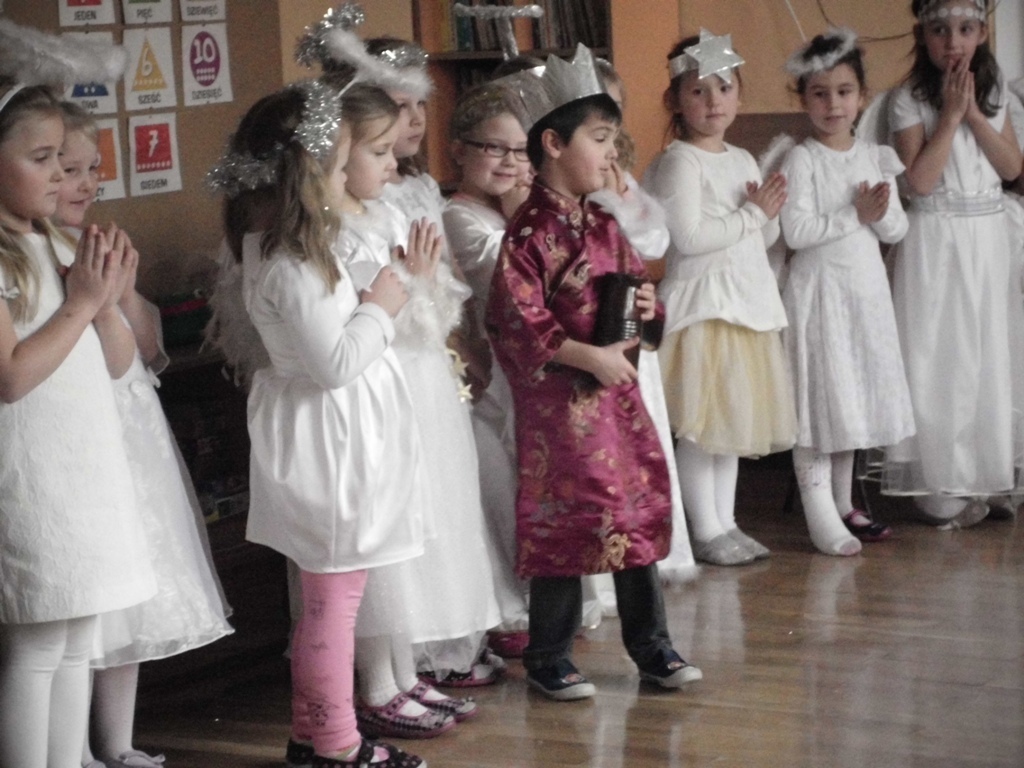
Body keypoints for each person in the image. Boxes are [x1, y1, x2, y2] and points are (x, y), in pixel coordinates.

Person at [214, 80, 428, 768]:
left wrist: (372, 302)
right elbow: (334, 364)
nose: (346, 181)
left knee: (329, 599)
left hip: (332, 433)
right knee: (334, 603)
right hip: (326, 441)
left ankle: (312, 734)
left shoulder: (293, 253)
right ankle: (338, 743)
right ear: (305, 178)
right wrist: (382, 306)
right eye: (337, 169)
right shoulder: (290, 265)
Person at [487, 44, 702, 701]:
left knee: (632, 510)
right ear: (553, 144)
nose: (611, 155)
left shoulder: (606, 223)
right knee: (566, 520)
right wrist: (587, 357)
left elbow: (636, 291)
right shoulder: (528, 235)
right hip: (562, 412)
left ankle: (652, 646)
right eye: (600, 139)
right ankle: (549, 654)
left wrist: (647, 307)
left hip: (619, 401)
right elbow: (515, 321)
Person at [53, 102, 234, 768]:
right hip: (84, 440)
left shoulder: (99, 242)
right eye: (67, 169)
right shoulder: (37, 257)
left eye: (91, 168)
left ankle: (118, 741)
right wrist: (100, 304)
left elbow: (149, 349)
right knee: (84, 611)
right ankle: (71, 748)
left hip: (134, 437)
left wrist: (125, 294)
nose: (85, 183)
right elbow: (102, 355)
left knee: (136, 592)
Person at [0, 79, 156, 768]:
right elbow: (11, 378)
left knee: (73, 646)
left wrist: (106, 298)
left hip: (86, 470)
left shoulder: (54, 244)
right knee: (37, 648)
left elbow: (118, 364)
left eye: (61, 159)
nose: (60, 176)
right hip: (32, 477)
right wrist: (81, 303)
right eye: (41, 159)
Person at [332, 82, 495, 739]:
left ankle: (404, 675)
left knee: (417, 527)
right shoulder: (337, 229)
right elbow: (371, 321)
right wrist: (412, 282)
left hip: (417, 383)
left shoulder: (385, 210)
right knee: (385, 542)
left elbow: (426, 311)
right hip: (378, 387)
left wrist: (424, 283)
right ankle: (379, 683)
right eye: (377, 149)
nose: (392, 158)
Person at [643, 31, 797, 567]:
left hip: (745, 304)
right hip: (705, 309)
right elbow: (687, 238)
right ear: (675, 100)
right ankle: (704, 528)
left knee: (731, 425)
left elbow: (763, 238)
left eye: (724, 87)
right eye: (698, 91)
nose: (713, 101)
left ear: (739, 95)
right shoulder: (680, 162)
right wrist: (752, 215)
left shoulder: (744, 159)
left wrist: (768, 213)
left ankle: (727, 522)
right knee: (702, 429)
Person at [883, 0, 1024, 524]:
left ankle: (986, 473)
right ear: (923, 35)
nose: (953, 42)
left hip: (987, 237)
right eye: (940, 30)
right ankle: (941, 483)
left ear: (982, 33)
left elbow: (1011, 168)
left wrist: (974, 115)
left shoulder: (993, 89)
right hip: (937, 238)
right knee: (944, 354)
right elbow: (919, 181)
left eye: (965, 29)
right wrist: (948, 117)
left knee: (988, 352)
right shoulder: (908, 97)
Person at [778, 30, 913, 556]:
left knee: (849, 396)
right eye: (819, 93)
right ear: (803, 98)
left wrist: (881, 210)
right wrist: (853, 214)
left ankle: (842, 502)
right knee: (820, 400)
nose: (833, 104)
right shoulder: (803, 159)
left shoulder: (873, 156)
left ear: (862, 96)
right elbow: (796, 233)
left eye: (844, 91)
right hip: (820, 296)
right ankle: (819, 511)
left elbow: (896, 228)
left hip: (863, 295)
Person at [589, 56, 697, 585]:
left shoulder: (620, 177)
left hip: (628, 325)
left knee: (638, 441)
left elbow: (654, 241)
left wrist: (621, 199)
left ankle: (650, 554)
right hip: (591, 335)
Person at [443, 84, 534, 657]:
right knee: (496, 489)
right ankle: (507, 608)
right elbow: (512, 277)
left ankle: (540, 600)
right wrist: (522, 213)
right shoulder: (457, 215)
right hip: (481, 371)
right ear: (459, 150)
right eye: (493, 148)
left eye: (520, 151)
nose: (509, 162)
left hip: (522, 368)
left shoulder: (507, 211)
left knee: (524, 483)